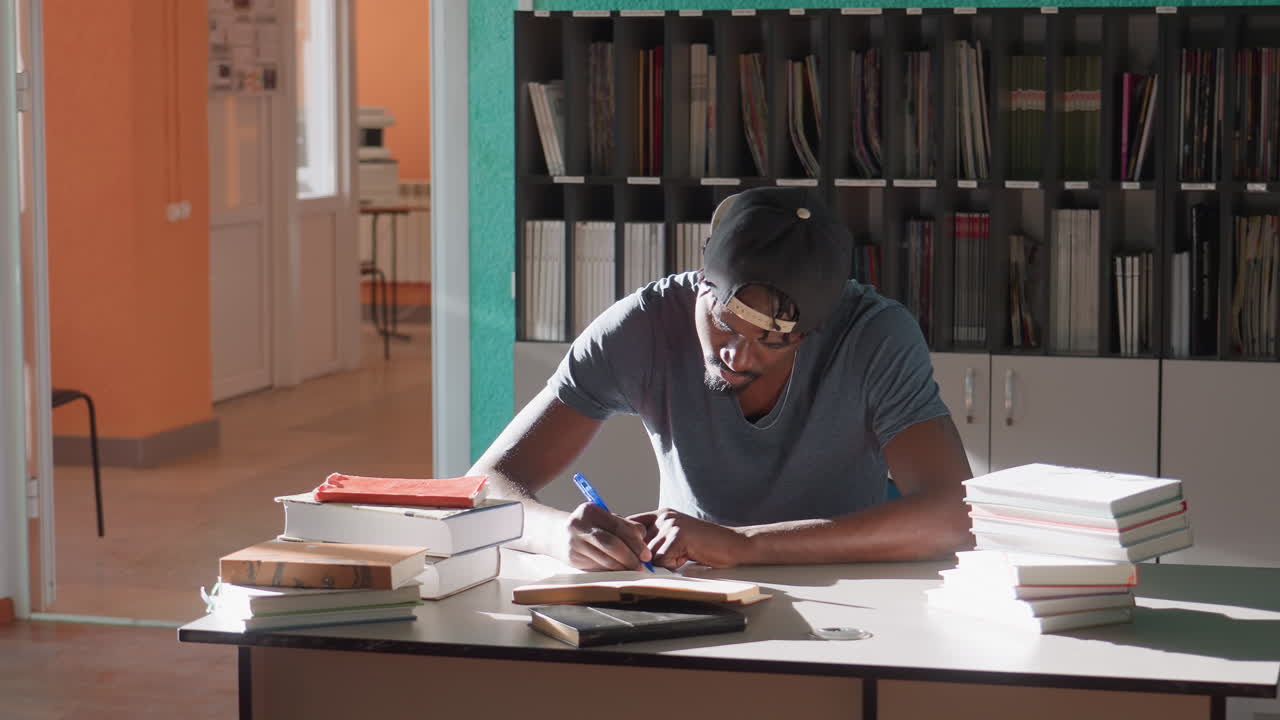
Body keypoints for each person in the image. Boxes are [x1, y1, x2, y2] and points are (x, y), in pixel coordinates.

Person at [470, 187, 974, 571]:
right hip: (692, 596)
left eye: (773, 342)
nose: (736, 354)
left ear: (816, 329)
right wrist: (558, 534)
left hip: (847, 597)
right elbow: (484, 485)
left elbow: (957, 516)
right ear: (701, 279)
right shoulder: (643, 326)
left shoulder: (874, 336)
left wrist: (745, 545)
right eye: (725, 324)